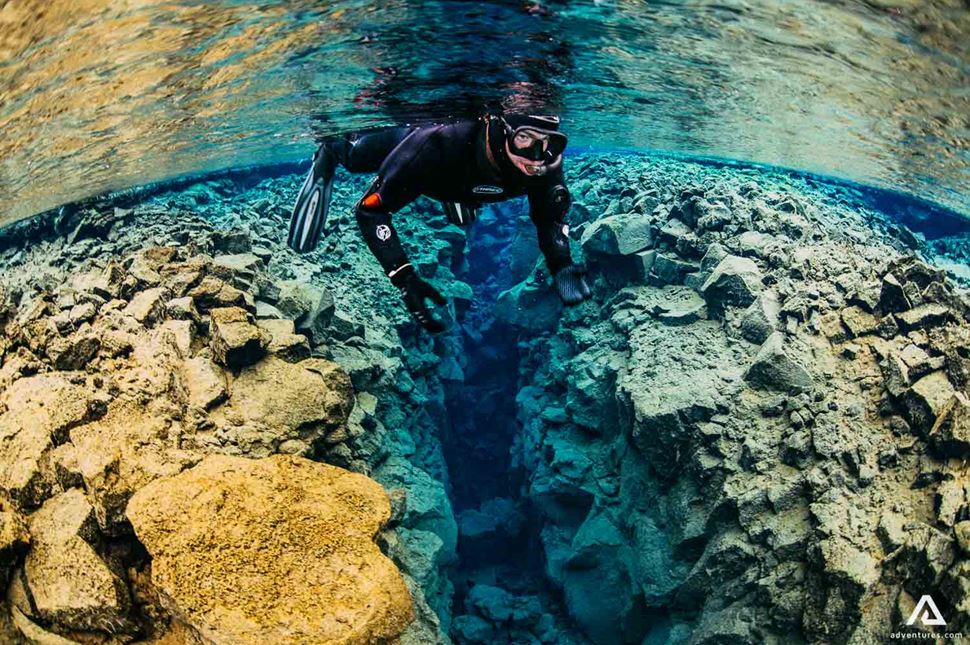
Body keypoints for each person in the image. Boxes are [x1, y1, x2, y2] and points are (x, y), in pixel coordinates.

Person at [288, 113, 591, 333]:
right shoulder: (436, 144)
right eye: (524, 138)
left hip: (460, 175)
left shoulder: (547, 162)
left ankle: (460, 193)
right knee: (355, 159)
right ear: (500, 129)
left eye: (547, 141)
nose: (536, 157)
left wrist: (561, 264)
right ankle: (328, 151)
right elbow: (370, 212)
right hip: (430, 162)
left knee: (471, 200)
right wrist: (405, 278)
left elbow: (549, 218)